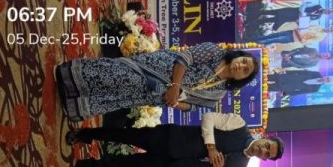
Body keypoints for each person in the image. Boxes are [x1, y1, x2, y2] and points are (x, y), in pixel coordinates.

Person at [55, 42, 259, 121]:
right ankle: (70, 78)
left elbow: (192, 107)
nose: (240, 66)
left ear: (243, 79)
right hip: (157, 68)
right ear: (239, 56)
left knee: (120, 97)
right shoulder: (215, 53)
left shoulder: (218, 94)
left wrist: (174, 102)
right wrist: (175, 87)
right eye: (243, 61)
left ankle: (76, 103)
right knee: (117, 74)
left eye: (245, 70)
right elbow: (185, 58)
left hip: (159, 94)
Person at [68, 112, 285, 167]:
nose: (263, 150)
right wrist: (211, 147)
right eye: (267, 146)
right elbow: (209, 118)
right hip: (171, 138)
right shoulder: (240, 125)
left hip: (173, 165)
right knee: (125, 136)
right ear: (264, 138)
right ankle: (85, 135)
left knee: (127, 166)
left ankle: (89, 166)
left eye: (267, 154)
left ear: (265, 159)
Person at [263, 26, 333, 50]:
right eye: (331, 28)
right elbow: (305, 26)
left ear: (331, 33)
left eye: (332, 30)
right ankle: (255, 40)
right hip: (292, 31)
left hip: (293, 38)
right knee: (271, 36)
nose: (330, 29)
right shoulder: (319, 26)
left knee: (271, 40)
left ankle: (256, 43)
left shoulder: (321, 37)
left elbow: (305, 42)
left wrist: (298, 34)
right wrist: (299, 27)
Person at [268, 71, 333, 95]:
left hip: (285, 87)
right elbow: (300, 72)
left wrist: (285, 93)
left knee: (266, 88)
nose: (325, 80)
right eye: (327, 78)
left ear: (327, 84)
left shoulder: (316, 89)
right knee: (266, 77)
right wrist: (287, 72)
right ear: (326, 76)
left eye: (327, 81)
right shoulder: (316, 74)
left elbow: (299, 92)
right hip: (286, 77)